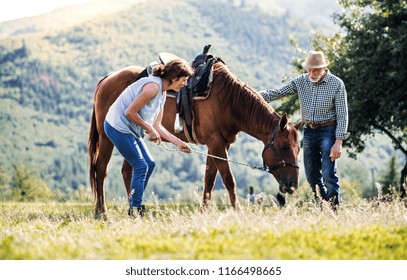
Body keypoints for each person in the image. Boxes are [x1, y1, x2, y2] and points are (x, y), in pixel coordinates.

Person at [104, 58, 193, 218]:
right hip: (117, 127)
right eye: (184, 80)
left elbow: (157, 125)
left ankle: (134, 201)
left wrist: (179, 143)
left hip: (131, 129)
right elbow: (130, 112)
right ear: (174, 78)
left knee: (149, 164)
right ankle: (135, 210)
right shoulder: (152, 88)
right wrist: (149, 130)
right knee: (140, 166)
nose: (185, 84)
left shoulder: (163, 93)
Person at [260, 50, 349, 209]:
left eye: (315, 70)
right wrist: (253, 96)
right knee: (312, 176)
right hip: (309, 132)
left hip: (328, 131)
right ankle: (323, 205)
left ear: (323, 68)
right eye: (309, 69)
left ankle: (334, 208)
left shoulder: (337, 84)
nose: (312, 73)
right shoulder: (301, 81)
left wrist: (338, 142)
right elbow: (278, 92)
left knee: (329, 174)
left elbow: (342, 115)